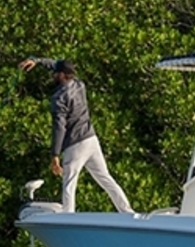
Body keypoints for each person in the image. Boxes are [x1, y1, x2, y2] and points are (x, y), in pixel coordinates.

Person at [18, 56, 133, 214]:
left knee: (69, 183)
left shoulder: (58, 98)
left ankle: (68, 215)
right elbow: (55, 65)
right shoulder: (80, 84)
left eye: (56, 73)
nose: (53, 74)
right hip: (91, 140)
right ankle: (127, 211)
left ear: (63, 75)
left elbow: (59, 127)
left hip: (75, 144)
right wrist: (37, 61)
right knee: (105, 178)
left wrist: (55, 155)